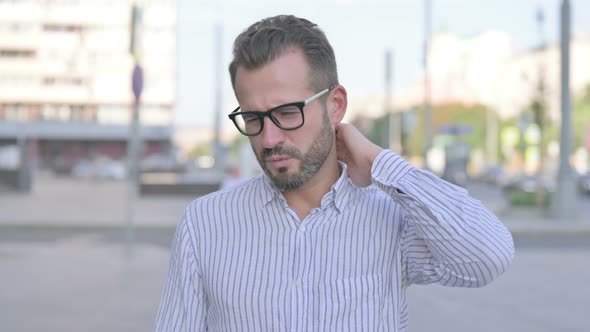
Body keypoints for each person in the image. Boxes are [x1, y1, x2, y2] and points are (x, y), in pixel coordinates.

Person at [155, 15, 514, 331]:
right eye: (252, 118)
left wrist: (379, 162)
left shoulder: (391, 220)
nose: (268, 138)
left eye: (288, 112)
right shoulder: (205, 224)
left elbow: (489, 256)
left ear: (335, 105)